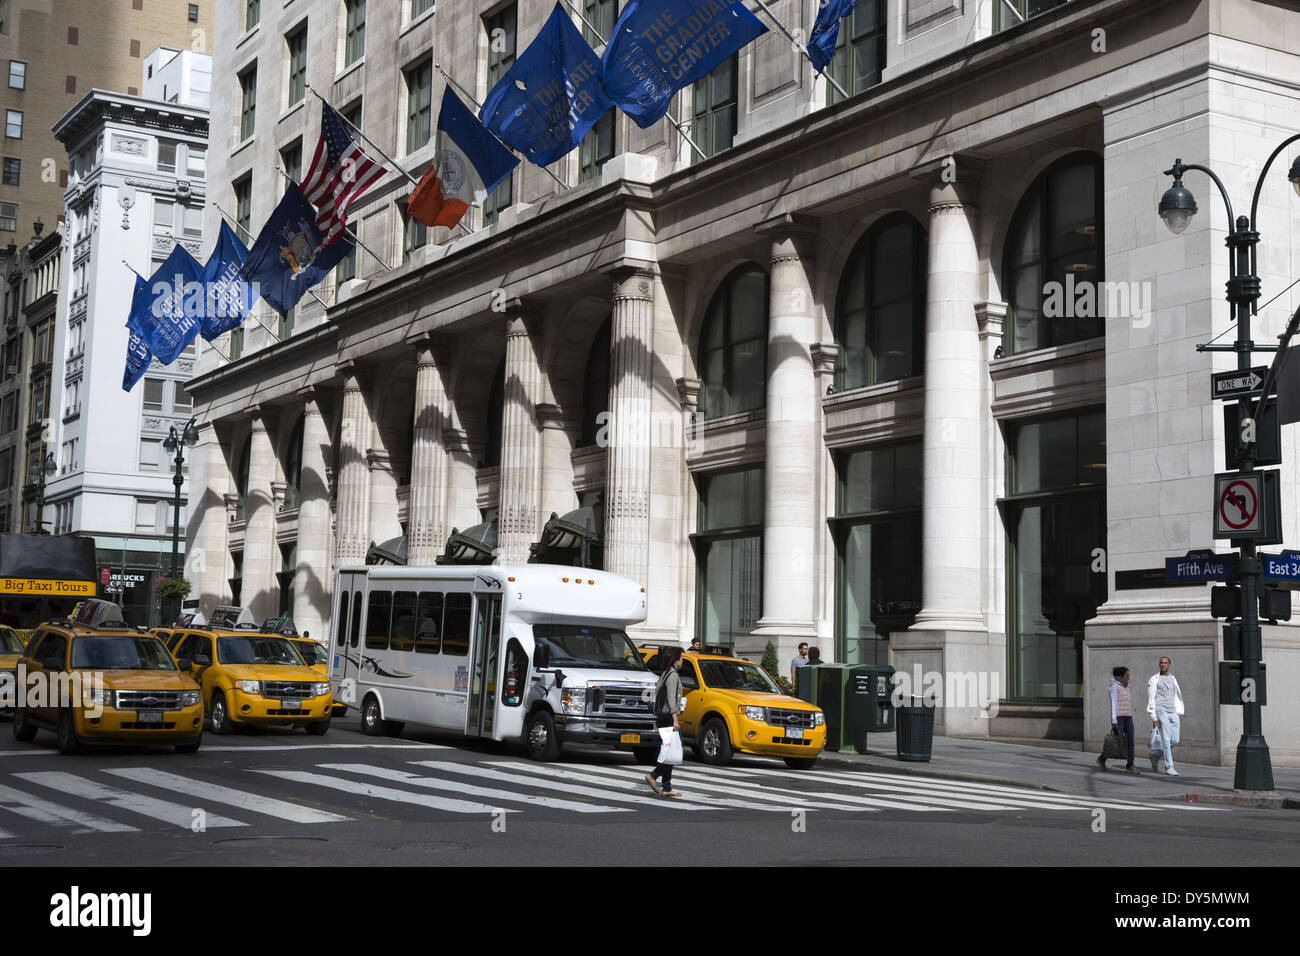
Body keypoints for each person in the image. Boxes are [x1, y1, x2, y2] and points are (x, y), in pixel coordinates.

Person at [645, 645, 684, 798]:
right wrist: (675, 718)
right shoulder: (673, 675)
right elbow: (670, 698)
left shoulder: (666, 673)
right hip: (668, 718)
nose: (682, 661)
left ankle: (667, 787)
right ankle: (653, 776)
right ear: (675, 659)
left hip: (663, 717)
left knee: (670, 751)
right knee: (674, 749)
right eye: (681, 658)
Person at [1147, 655, 1185, 775]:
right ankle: (1169, 766)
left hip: (1173, 712)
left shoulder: (1173, 679)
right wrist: (1154, 717)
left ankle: (1156, 756)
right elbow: (1151, 698)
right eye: (1161, 663)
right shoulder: (1154, 679)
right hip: (1161, 711)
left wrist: (1178, 711)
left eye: (1165, 663)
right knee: (1167, 740)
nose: (1163, 665)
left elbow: (1176, 696)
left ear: (1169, 665)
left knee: (1175, 739)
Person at [1098, 666, 1139, 773]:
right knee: (1116, 742)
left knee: (1130, 741)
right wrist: (1114, 721)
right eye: (1127, 676)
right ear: (1120, 676)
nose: (1129, 678)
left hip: (1128, 717)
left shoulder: (1126, 686)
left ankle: (1130, 764)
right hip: (1119, 718)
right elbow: (1114, 705)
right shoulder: (1114, 687)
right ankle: (1102, 759)